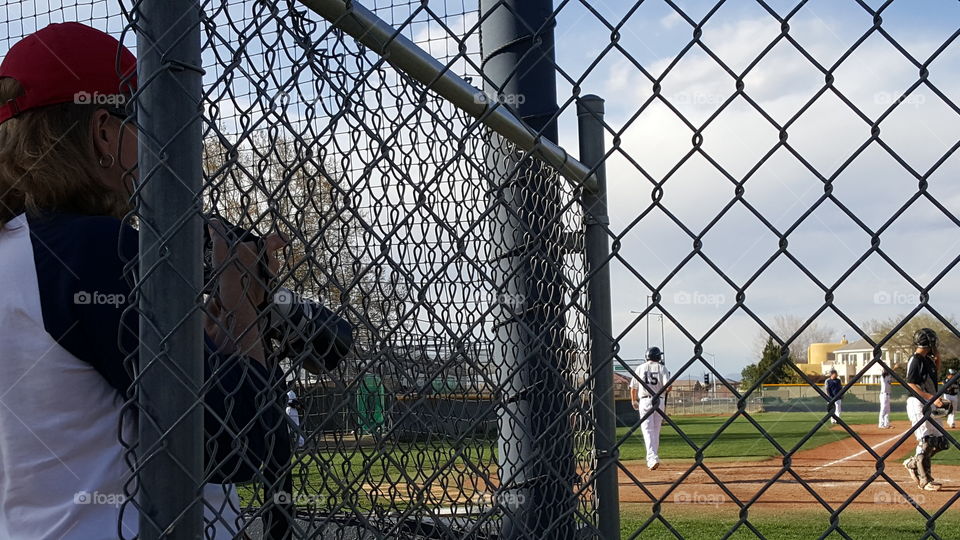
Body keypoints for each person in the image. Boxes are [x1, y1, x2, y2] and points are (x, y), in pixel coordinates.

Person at [0, 22, 300, 538]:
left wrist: (204, 344)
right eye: (148, 127)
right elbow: (244, 441)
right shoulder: (95, 248)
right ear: (104, 132)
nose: (162, 152)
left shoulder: (22, 248)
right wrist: (246, 305)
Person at [902, 328, 949, 491]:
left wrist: (937, 356)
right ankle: (924, 479)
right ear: (929, 342)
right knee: (927, 440)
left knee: (941, 442)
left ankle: (913, 463)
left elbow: (937, 368)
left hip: (930, 403)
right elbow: (911, 384)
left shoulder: (927, 359)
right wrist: (931, 398)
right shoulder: (915, 360)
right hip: (917, 402)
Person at [630, 347, 671, 471]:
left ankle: (652, 458)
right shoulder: (661, 368)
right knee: (656, 430)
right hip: (659, 400)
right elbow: (668, 387)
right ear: (658, 356)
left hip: (645, 400)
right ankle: (653, 456)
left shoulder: (640, 368)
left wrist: (633, 400)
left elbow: (633, 387)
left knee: (647, 430)